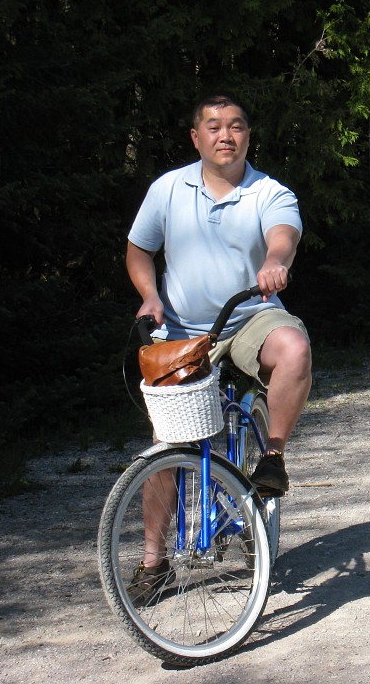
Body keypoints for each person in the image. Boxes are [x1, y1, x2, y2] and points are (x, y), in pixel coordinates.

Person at [124, 93, 312, 602]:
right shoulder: (167, 189)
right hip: (185, 329)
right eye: (213, 126)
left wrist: (275, 261)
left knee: (293, 347)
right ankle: (153, 562)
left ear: (248, 136)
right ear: (196, 137)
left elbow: (282, 237)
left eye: (236, 127)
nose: (225, 135)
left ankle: (271, 456)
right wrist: (149, 297)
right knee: (169, 447)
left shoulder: (269, 192)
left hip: (250, 318)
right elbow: (139, 249)